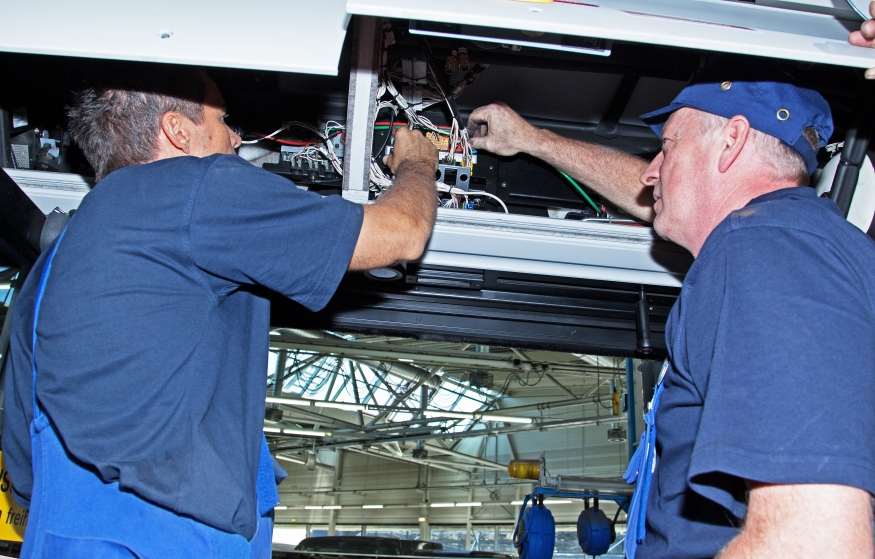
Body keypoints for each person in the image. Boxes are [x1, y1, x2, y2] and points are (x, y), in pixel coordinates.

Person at [2, 65, 439, 558]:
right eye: (224, 120)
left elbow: (23, 471)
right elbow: (401, 233)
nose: (236, 138)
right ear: (177, 131)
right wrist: (417, 164)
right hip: (172, 541)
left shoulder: (49, 269)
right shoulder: (194, 187)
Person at [468, 62, 875, 558]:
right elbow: (660, 198)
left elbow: (814, 543)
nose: (650, 169)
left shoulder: (766, 250)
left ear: (732, 141)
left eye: (670, 146)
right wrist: (533, 140)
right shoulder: (790, 238)